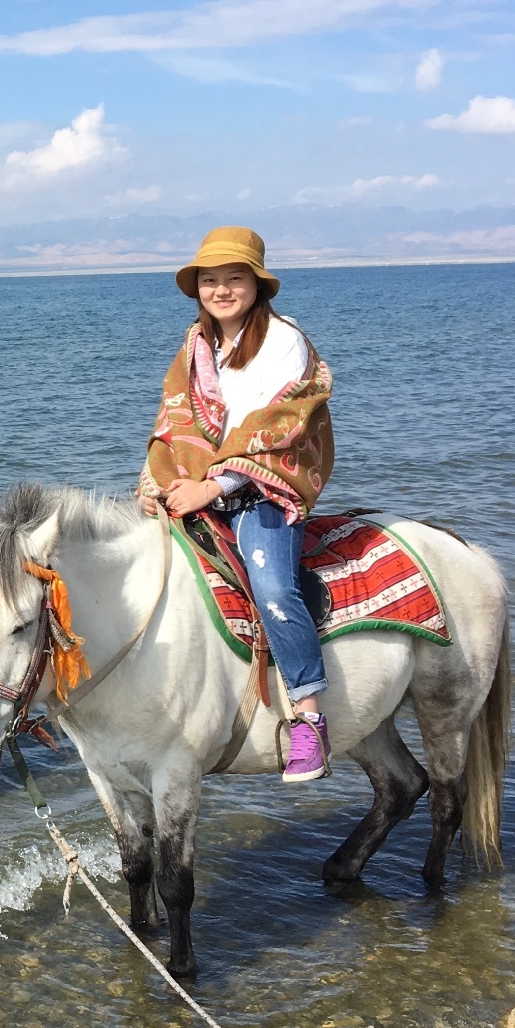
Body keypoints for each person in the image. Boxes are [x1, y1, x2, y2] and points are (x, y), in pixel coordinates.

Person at [140, 225, 336, 783]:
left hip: (265, 488)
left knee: (273, 586)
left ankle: (309, 718)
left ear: (257, 284)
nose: (221, 290)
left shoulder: (284, 340)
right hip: (200, 482)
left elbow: (272, 425)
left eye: (234, 278)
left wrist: (215, 486)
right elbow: (175, 417)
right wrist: (164, 480)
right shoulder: (196, 345)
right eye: (210, 280)